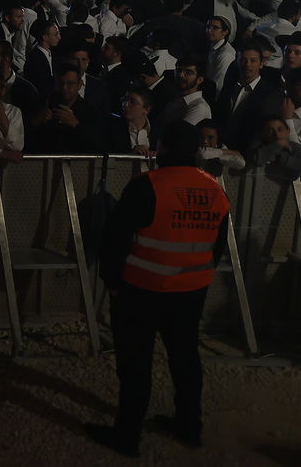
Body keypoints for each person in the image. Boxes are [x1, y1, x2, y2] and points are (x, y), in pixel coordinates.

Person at [88, 120, 230, 456]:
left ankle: (127, 436)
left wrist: (112, 283)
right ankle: (189, 426)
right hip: (191, 290)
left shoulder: (147, 185)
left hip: (142, 288)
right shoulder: (214, 189)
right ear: (197, 151)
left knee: (136, 363)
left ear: (162, 147)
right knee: (185, 359)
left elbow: (115, 240)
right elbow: (216, 246)